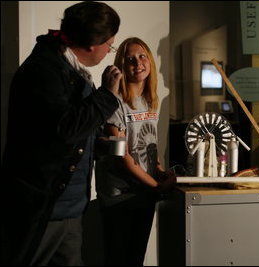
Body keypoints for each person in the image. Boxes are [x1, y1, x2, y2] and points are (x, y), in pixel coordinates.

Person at [0, 2, 121, 265]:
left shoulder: (68, 68)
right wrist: (107, 95)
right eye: (109, 45)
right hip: (44, 210)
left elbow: (69, 133)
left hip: (69, 209)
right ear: (92, 45)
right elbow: (64, 129)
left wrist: (97, 145)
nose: (109, 52)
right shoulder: (43, 70)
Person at [95, 37, 176, 266]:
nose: (137, 63)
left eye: (142, 56)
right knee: (118, 259)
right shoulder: (115, 103)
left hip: (144, 193)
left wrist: (159, 171)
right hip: (120, 196)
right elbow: (122, 156)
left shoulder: (150, 101)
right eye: (130, 59)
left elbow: (150, 145)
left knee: (136, 259)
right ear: (121, 66)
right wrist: (157, 186)